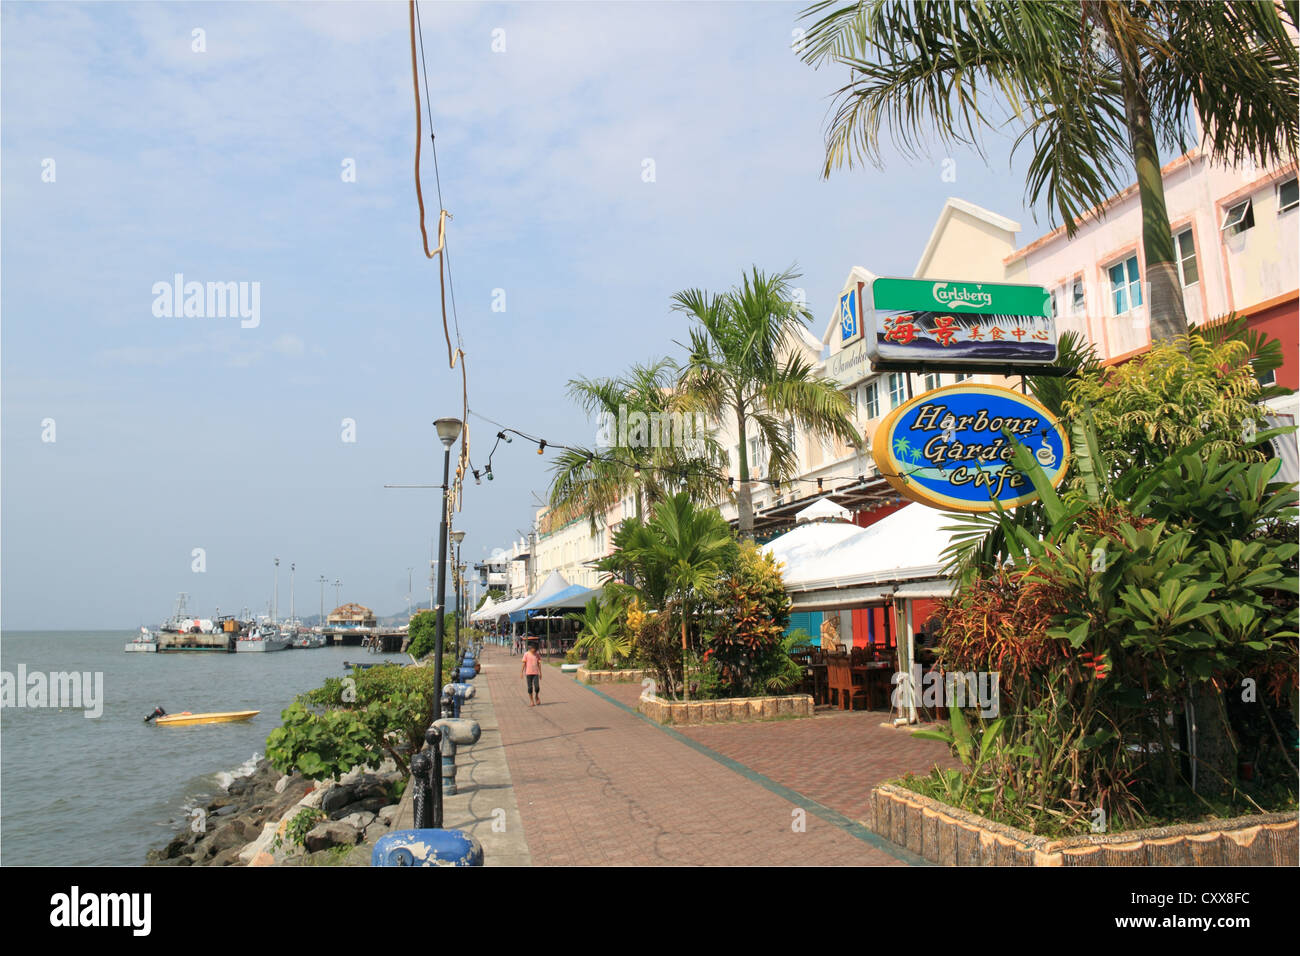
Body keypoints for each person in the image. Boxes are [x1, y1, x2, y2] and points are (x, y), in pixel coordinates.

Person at [521, 641, 542, 706]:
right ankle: (531, 701)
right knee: (530, 688)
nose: (534, 650)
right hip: (528, 673)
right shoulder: (526, 654)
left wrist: (540, 673)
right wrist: (521, 672)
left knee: (537, 687)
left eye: (535, 649)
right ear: (530, 648)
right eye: (533, 649)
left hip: (535, 673)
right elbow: (524, 663)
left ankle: (536, 696)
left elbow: (539, 664)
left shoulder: (537, 654)